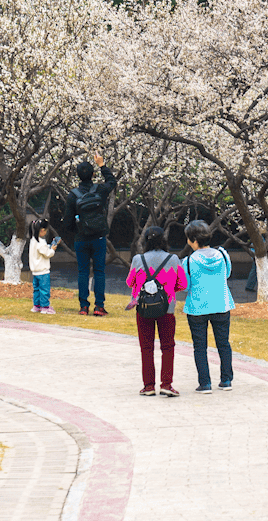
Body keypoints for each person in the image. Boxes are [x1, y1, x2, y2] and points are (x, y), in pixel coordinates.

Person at [127, 226, 187, 397]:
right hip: (167, 309)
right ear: (164, 240)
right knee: (168, 347)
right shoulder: (174, 259)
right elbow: (182, 284)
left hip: (143, 308)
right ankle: (166, 384)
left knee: (146, 347)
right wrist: (168, 290)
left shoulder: (138, 259)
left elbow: (130, 282)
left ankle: (148, 386)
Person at [182, 220, 234, 392]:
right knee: (223, 344)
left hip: (197, 307)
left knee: (200, 346)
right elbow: (226, 274)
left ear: (193, 239)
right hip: (221, 304)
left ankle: (205, 383)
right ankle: (226, 380)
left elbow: (185, 286)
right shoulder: (223, 254)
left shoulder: (188, 261)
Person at [66, 154, 117, 316]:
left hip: (81, 239)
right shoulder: (100, 190)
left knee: (83, 272)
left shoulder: (73, 195)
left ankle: (83, 306)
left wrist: (78, 230)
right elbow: (112, 182)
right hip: (98, 238)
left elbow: (67, 222)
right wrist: (102, 165)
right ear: (93, 175)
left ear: (77, 176)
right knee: (99, 271)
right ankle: (99, 306)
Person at [27, 219, 59, 314]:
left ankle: (36, 306)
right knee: (44, 290)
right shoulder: (41, 242)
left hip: (35, 271)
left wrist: (48, 246)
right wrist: (52, 249)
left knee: (36, 290)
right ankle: (45, 307)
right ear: (42, 230)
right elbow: (47, 254)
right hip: (43, 271)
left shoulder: (33, 240)